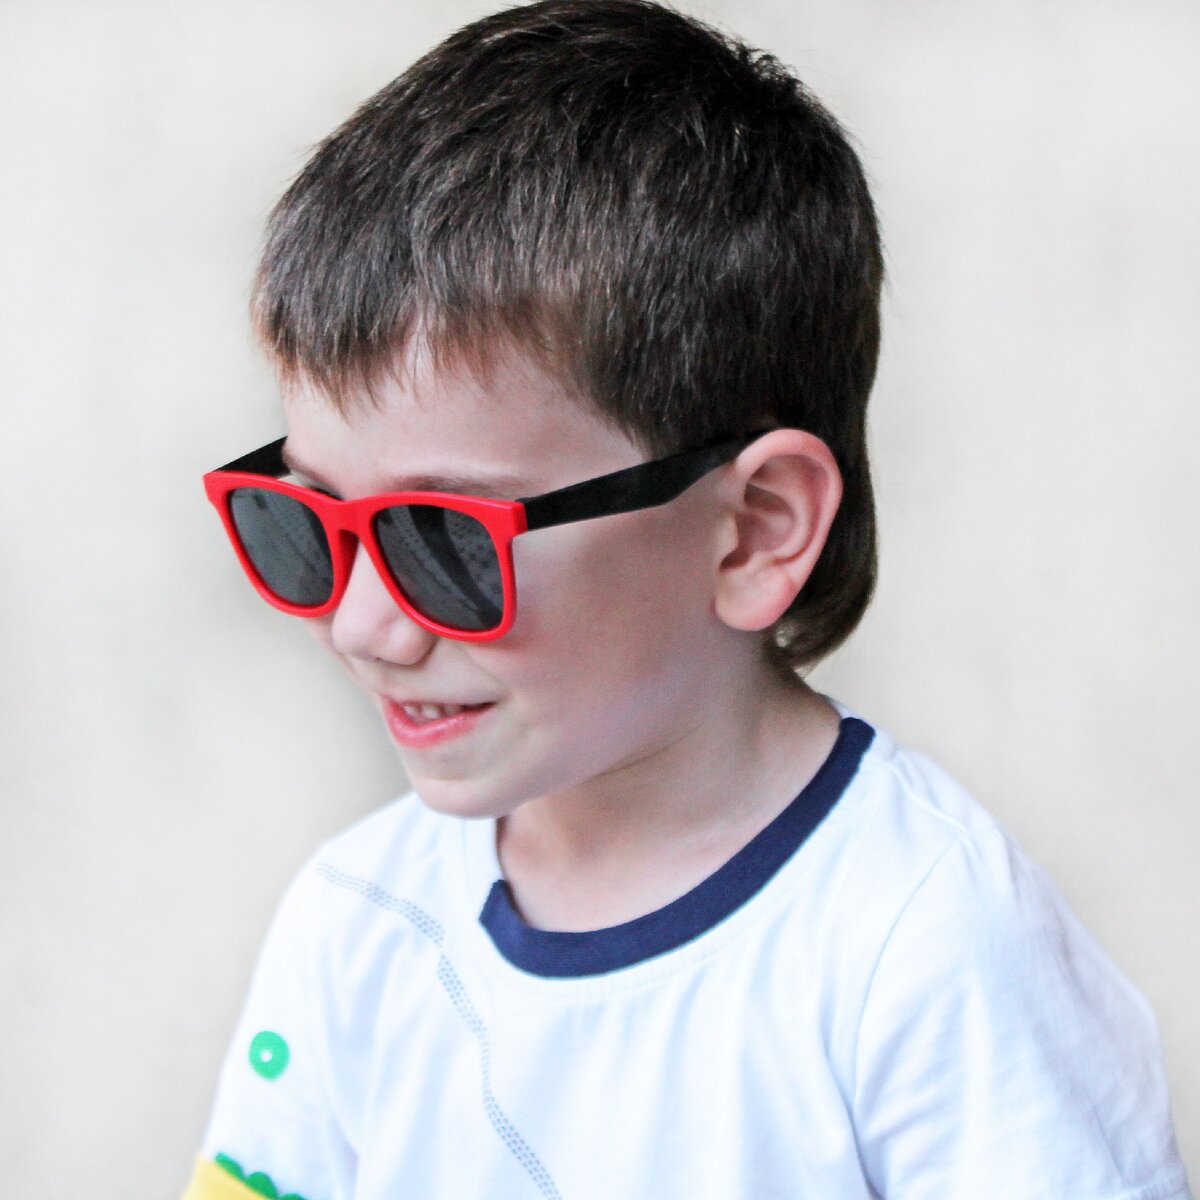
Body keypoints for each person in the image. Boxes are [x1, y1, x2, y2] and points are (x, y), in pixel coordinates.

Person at [185, 2, 1192, 1197]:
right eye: (308, 527)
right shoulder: (358, 921)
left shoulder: (921, 949)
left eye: (443, 540)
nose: (361, 626)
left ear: (754, 529)